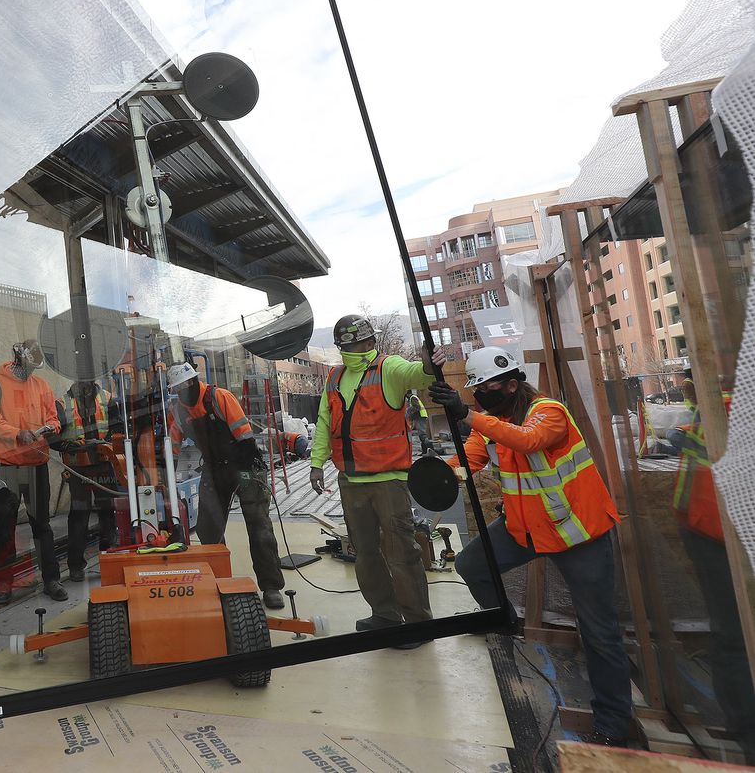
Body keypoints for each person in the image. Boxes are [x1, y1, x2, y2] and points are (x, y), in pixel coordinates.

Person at [430, 347, 634, 747]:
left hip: (577, 534)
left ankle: (614, 724)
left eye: (485, 388)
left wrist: (467, 414)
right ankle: (504, 621)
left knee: (599, 631)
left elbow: (528, 441)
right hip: (525, 529)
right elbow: (469, 461)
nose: (480, 395)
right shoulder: (492, 422)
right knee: (472, 565)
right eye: (475, 389)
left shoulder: (548, 412)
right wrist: (432, 473)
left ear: (511, 385)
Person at [309, 314, 443, 646]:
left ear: (370, 342)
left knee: (401, 553)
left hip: (388, 481)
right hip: (351, 480)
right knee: (366, 553)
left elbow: (417, 374)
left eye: (361, 342)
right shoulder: (335, 377)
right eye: (351, 344)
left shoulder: (389, 368)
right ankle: (385, 615)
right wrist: (316, 463)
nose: (359, 347)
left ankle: (417, 624)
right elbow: (325, 421)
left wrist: (428, 365)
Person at [669, 375, 755, 761]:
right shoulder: (731, 406)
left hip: (711, 529)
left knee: (732, 631)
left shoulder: (723, 402)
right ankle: (747, 729)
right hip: (718, 534)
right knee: (734, 632)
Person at [166, 362, 286, 610]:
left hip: (244, 464)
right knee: (208, 527)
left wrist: (247, 468)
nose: (182, 391)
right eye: (177, 388)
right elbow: (173, 447)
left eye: (184, 385)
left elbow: (244, 436)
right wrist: (165, 473)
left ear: (193, 381)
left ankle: (271, 586)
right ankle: (218, 580)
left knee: (259, 525)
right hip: (214, 468)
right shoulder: (178, 412)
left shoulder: (219, 397)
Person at [0, 338, 66, 603]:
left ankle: (51, 579)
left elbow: (53, 417)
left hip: (36, 465)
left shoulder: (42, 386)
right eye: (29, 365)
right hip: (7, 468)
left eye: (35, 367)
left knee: (42, 526)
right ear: (18, 357)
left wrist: (52, 427)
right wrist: (16, 433)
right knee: (5, 529)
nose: (31, 370)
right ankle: (3, 584)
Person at [59, 379, 120, 580]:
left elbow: (118, 429)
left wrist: (105, 442)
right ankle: (76, 566)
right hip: (78, 468)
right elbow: (54, 438)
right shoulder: (63, 403)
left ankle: (108, 558)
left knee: (107, 512)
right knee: (79, 515)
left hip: (103, 463)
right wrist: (70, 446)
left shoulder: (107, 399)